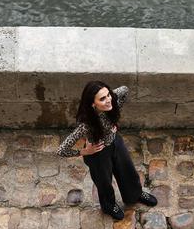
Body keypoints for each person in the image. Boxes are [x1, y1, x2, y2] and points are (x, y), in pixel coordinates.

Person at [57, 81, 157, 220]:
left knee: (127, 170)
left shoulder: (112, 103)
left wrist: (107, 94)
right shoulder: (86, 125)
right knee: (104, 183)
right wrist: (84, 152)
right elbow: (61, 150)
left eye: (108, 95)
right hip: (98, 154)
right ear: (93, 104)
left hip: (115, 142)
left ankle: (134, 195)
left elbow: (125, 89)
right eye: (102, 98)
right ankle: (109, 206)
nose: (109, 99)